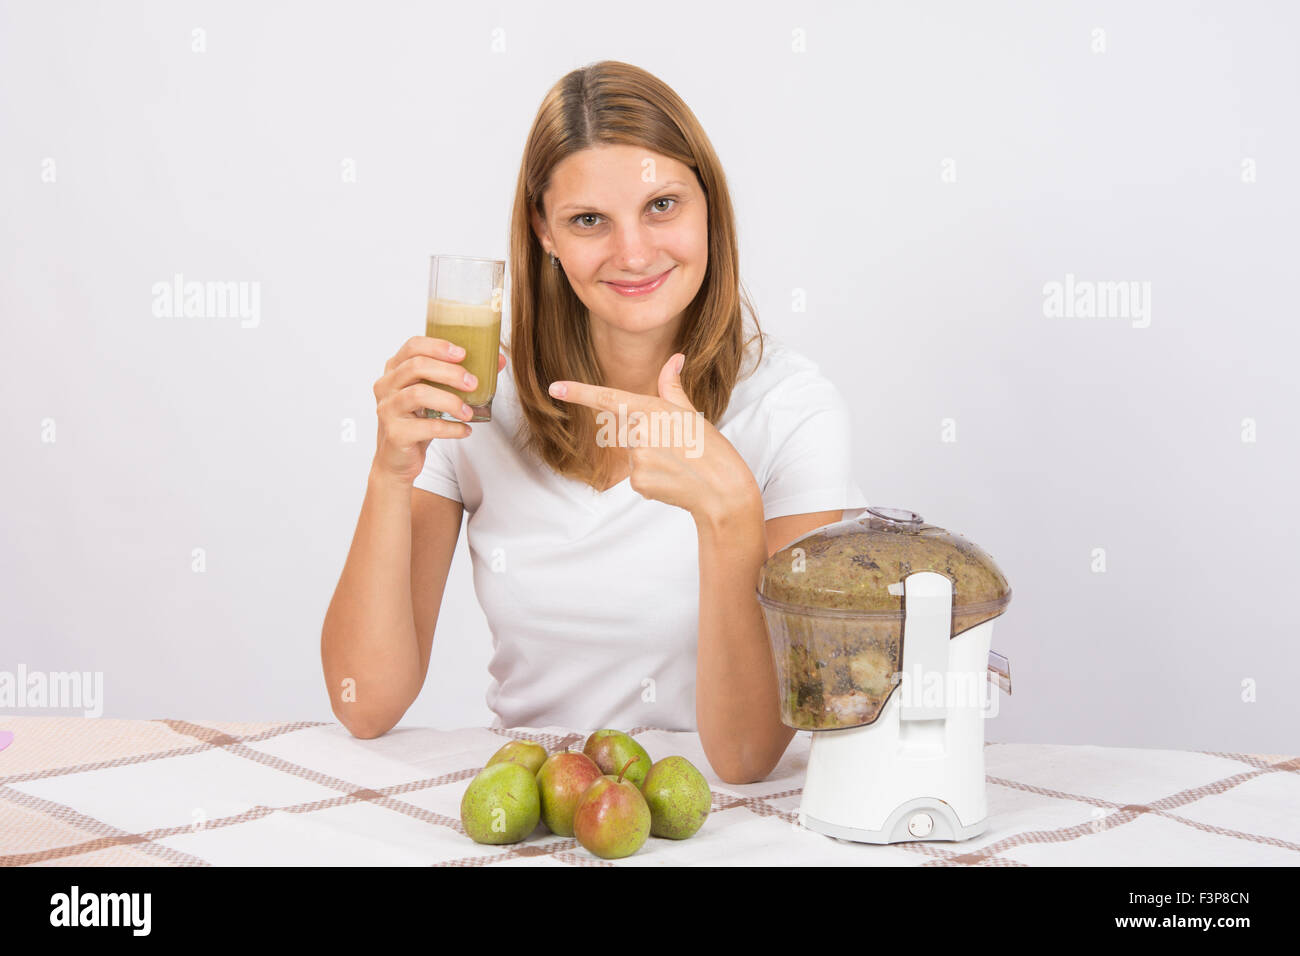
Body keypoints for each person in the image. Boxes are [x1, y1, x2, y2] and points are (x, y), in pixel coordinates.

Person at [321, 61, 869, 784]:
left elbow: (742, 757)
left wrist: (732, 511)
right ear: (544, 231)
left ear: (710, 208)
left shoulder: (791, 409)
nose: (634, 252)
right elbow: (367, 704)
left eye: (662, 205)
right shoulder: (479, 399)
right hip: (537, 804)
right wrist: (390, 473)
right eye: (588, 221)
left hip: (715, 815)